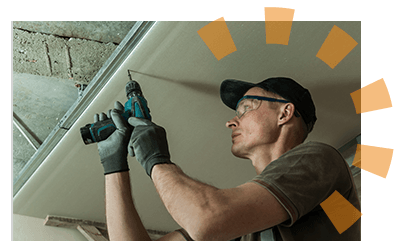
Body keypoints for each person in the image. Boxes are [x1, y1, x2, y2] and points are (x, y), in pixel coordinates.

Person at [95, 77, 361, 241]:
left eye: (245, 108)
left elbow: (206, 220)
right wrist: (113, 165)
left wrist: (155, 159)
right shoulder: (241, 222)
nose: (231, 121)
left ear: (285, 114)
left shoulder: (320, 158)